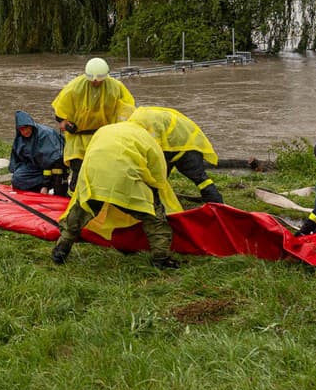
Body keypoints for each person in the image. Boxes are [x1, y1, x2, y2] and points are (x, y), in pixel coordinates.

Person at [50, 120, 183, 269]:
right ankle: (161, 259)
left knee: (79, 212)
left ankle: (60, 250)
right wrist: (153, 192)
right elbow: (158, 173)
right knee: (154, 218)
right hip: (125, 179)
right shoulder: (146, 137)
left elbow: (90, 154)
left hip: (94, 177)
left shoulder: (105, 130)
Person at [51, 57, 135, 193]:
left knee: (103, 167)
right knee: (78, 167)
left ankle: (100, 197)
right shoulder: (74, 87)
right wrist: (64, 122)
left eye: (99, 81)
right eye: (93, 81)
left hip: (104, 136)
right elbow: (60, 110)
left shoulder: (116, 87)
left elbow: (128, 107)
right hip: (78, 137)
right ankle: (75, 198)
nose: (96, 83)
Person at [129, 105, 223, 205]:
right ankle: (214, 201)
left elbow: (151, 145)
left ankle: (215, 203)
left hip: (185, 146)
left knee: (199, 178)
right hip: (184, 143)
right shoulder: (143, 117)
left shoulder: (141, 122)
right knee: (198, 178)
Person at [10, 110, 68, 194]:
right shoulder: (20, 139)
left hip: (54, 167)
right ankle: (38, 187)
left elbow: (53, 160)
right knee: (17, 179)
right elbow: (17, 160)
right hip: (36, 168)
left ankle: (49, 186)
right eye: (21, 130)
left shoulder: (46, 135)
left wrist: (45, 186)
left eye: (26, 128)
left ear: (31, 126)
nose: (25, 132)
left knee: (57, 177)